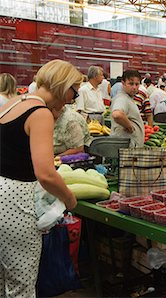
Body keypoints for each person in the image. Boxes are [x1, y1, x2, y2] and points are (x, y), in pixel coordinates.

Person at [0, 59, 79, 297]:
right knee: (21, 282)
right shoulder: (40, 113)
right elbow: (45, 173)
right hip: (16, 201)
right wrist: (69, 199)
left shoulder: (13, 103)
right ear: (64, 87)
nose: (71, 99)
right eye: (73, 92)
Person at [111, 70, 145, 148]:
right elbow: (117, 114)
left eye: (137, 84)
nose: (134, 87)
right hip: (126, 150)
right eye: (131, 84)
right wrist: (130, 127)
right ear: (123, 83)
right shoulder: (122, 98)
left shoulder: (128, 98)